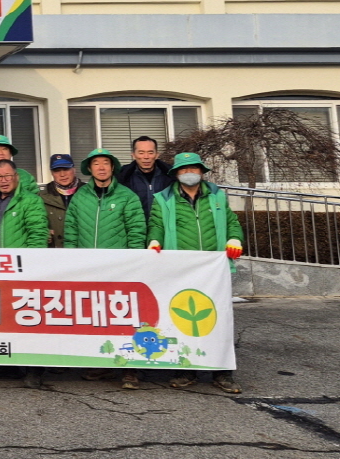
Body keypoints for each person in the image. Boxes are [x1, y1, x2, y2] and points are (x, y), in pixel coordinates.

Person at [148, 152, 244, 395]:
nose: (189, 173)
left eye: (193, 168)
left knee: (218, 319)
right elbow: (156, 224)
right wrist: (154, 241)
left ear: (201, 171)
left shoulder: (217, 196)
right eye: (184, 169)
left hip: (214, 271)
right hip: (180, 270)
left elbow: (231, 222)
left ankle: (222, 371)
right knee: (182, 318)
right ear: (176, 174)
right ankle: (186, 368)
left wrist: (235, 238)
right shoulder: (163, 199)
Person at [65, 148, 147, 389]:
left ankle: (130, 368)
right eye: (96, 164)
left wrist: (133, 262)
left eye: (105, 163)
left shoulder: (127, 196)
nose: (101, 168)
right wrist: (70, 260)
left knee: (125, 317)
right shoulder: (80, 197)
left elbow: (136, 230)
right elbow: (71, 230)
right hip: (88, 268)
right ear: (89, 169)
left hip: (119, 269)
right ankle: (103, 362)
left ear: (112, 168)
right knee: (97, 317)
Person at [117, 136, 174, 224]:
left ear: (157, 155)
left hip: (164, 227)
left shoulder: (170, 175)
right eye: (141, 153)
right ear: (133, 155)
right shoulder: (122, 177)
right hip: (135, 228)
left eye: (150, 152)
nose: (146, 157)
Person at [40, 153, 80, 247]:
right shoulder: (41, 196)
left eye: (66, 169)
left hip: (82, 250)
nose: (62, 174)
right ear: (51, 173)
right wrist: (44, 232)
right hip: (54, 251)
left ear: (74, 170)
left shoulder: (88, 193)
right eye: (57, 171)